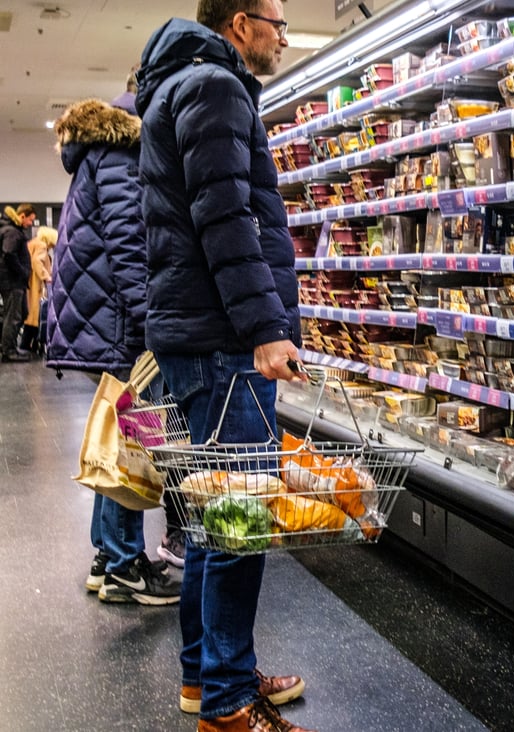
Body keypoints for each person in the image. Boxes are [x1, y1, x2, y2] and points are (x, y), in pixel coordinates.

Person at [136, 2, 311, 730]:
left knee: (212, 519)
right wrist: (266, 327)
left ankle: (210, 675)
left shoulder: (179, 81)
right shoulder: (215, 84)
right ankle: (228, 703)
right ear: (240, 22)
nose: (282, 36)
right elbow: (227, 217)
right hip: (222, 342)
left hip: (197, 336)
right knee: (238, 524)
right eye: (276, 21)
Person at [46, 93, 184, 606]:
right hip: (121, 324)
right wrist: (152, 327)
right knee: (133, 445)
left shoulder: (98, 154)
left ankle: (107, 555)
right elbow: (131, 246)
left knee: (119, 436)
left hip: (102, 319)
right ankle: (126, 564)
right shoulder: (123, 156)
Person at [0, 203, 37, 361]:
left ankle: (10, 346)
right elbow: (9, 253)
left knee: (22, 313)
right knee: (13, 316)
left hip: (14, 281)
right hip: (12, 281)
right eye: (30, 220)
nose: (31, 224)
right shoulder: (12, 232)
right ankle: (8, 351)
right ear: (22, 216)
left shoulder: (11, 230)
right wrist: (22, 272)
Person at [23, 226, 55, 355]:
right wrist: (47, 276)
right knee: (36, 318)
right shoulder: (42, 246)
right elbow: (37, 261)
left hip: (29, 284)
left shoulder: (33, 243)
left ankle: (28, 346)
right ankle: (27, 346)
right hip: (36, 286)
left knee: (31, 319)